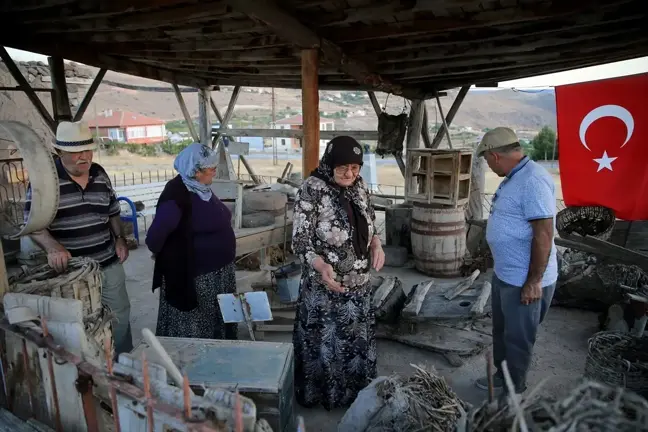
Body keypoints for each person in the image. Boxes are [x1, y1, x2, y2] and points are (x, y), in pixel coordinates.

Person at [291, 136, 386, 410]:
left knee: (356, 347)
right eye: (343, 167)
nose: (350, 173)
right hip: (325, 290)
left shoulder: (360, 186)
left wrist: (377, 244)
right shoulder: (313, 189)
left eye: (356, 167)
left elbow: (371, 224)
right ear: (330, 163)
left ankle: (356, 397)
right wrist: (320, 266)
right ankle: (324, 397)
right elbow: (300, 241)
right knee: (326, 344)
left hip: (359, 288)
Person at [26, 120, 132, 355]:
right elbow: (33, 226)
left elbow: (113, 210)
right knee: (83, 324)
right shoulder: (46, 181)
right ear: (59, 151)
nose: (83, 157)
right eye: (74, 152)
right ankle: (94, 371)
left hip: (107, 261)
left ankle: (124, 363)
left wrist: (120, 238)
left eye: (87, 150)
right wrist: (53, 247)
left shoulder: (99, 173)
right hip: (73, 273)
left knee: (120, 314)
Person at [474, 127, 557, 394]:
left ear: (495, 155)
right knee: (503, 332)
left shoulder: (532, 180)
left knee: (518, 337)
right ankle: (502, 376)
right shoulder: (514, 178)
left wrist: (534, 281)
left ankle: (514, 390)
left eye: (486, 159)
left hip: (525, 279)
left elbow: (544, 234)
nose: (487, 164)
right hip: (507, 274)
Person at [145, 143, 237, 340]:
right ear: (195, 171)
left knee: (217, 320)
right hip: (197, 276)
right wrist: (166, 254)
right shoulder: (176, 196)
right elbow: (154, 237)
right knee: (196, 326)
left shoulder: (200, 188)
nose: (214, 172)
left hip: (219, 273)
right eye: (211, 169)